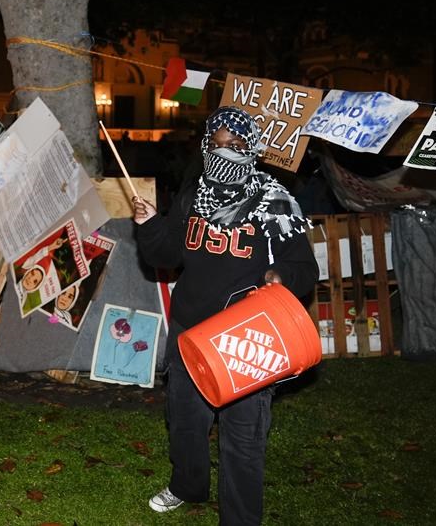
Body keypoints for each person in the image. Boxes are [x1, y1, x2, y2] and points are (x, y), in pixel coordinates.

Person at [133, 105, 318, 525]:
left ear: (252, 148)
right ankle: (187, 486)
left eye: (235, 146)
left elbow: (306, 268)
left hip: (246, 338)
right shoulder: (193, 194)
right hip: (190, 331)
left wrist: (281, 274)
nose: (225, 154)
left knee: (243, 437)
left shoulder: (275, 201)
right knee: (184, 423)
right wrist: (149, 225)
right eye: (216, 146)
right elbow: (166, 256)